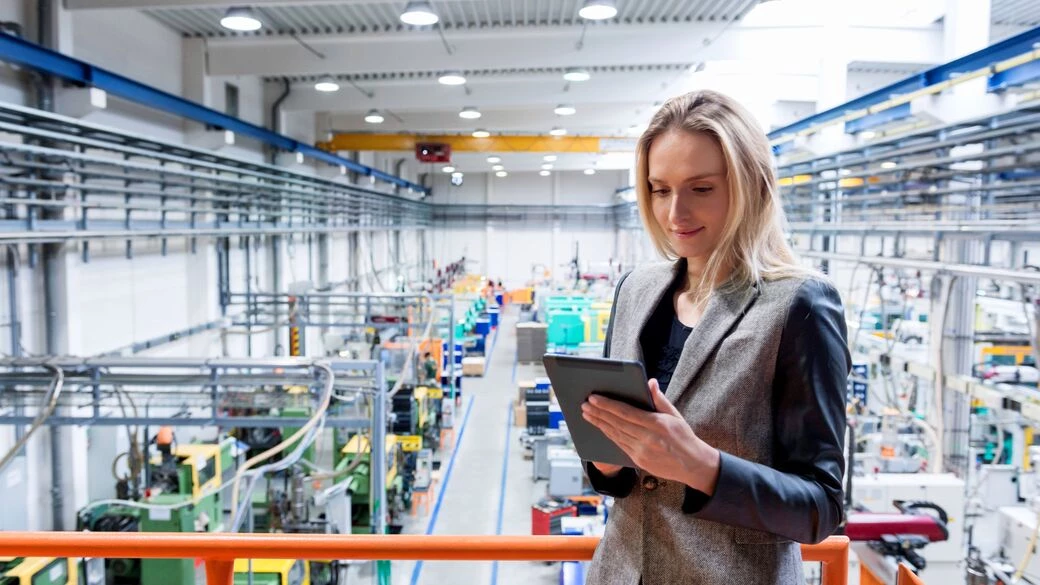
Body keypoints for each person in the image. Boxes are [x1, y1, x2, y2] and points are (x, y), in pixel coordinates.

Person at [579, 90, 850, 585]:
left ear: (752, 186)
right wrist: (607, 461)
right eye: (660, 189)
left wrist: (702, 466)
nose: (675, 213)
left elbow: (820, 508)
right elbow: (624, 481)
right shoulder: (635, 290)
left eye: (700, 188)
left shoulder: (798, 306)